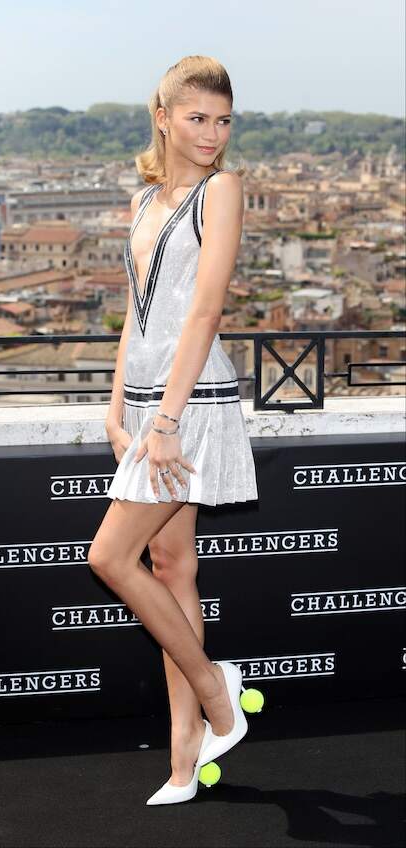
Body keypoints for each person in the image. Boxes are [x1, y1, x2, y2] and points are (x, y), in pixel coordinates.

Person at [91, 55, 260, 806]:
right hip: (150, 401)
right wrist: (118, 401)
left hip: (190, 405)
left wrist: (163, 421)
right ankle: (184, 756)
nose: (212, 134)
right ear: (162, 116)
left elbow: (205, 310)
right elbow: (139, 311)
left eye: (222, 121)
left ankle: (216, 691)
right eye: (197, 118)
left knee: (110, 556)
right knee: (170, 567)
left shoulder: (221, 190)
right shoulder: (145, 200)